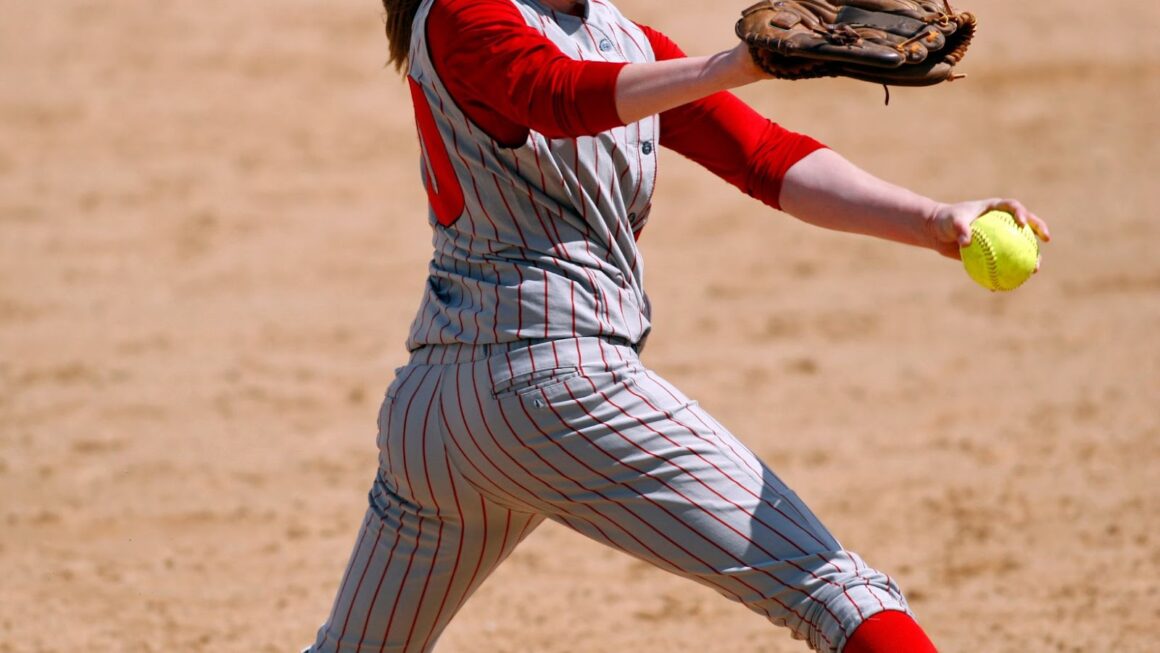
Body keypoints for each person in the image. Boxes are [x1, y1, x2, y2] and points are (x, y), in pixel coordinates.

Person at [304, 0, 1051, 651]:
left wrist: (932, 220)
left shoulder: (624, 41)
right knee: (833, 588)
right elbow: (554, 93)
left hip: (436, 420)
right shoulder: (466, 13)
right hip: (561, 388)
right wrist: (733, 64)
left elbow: (763, 154)